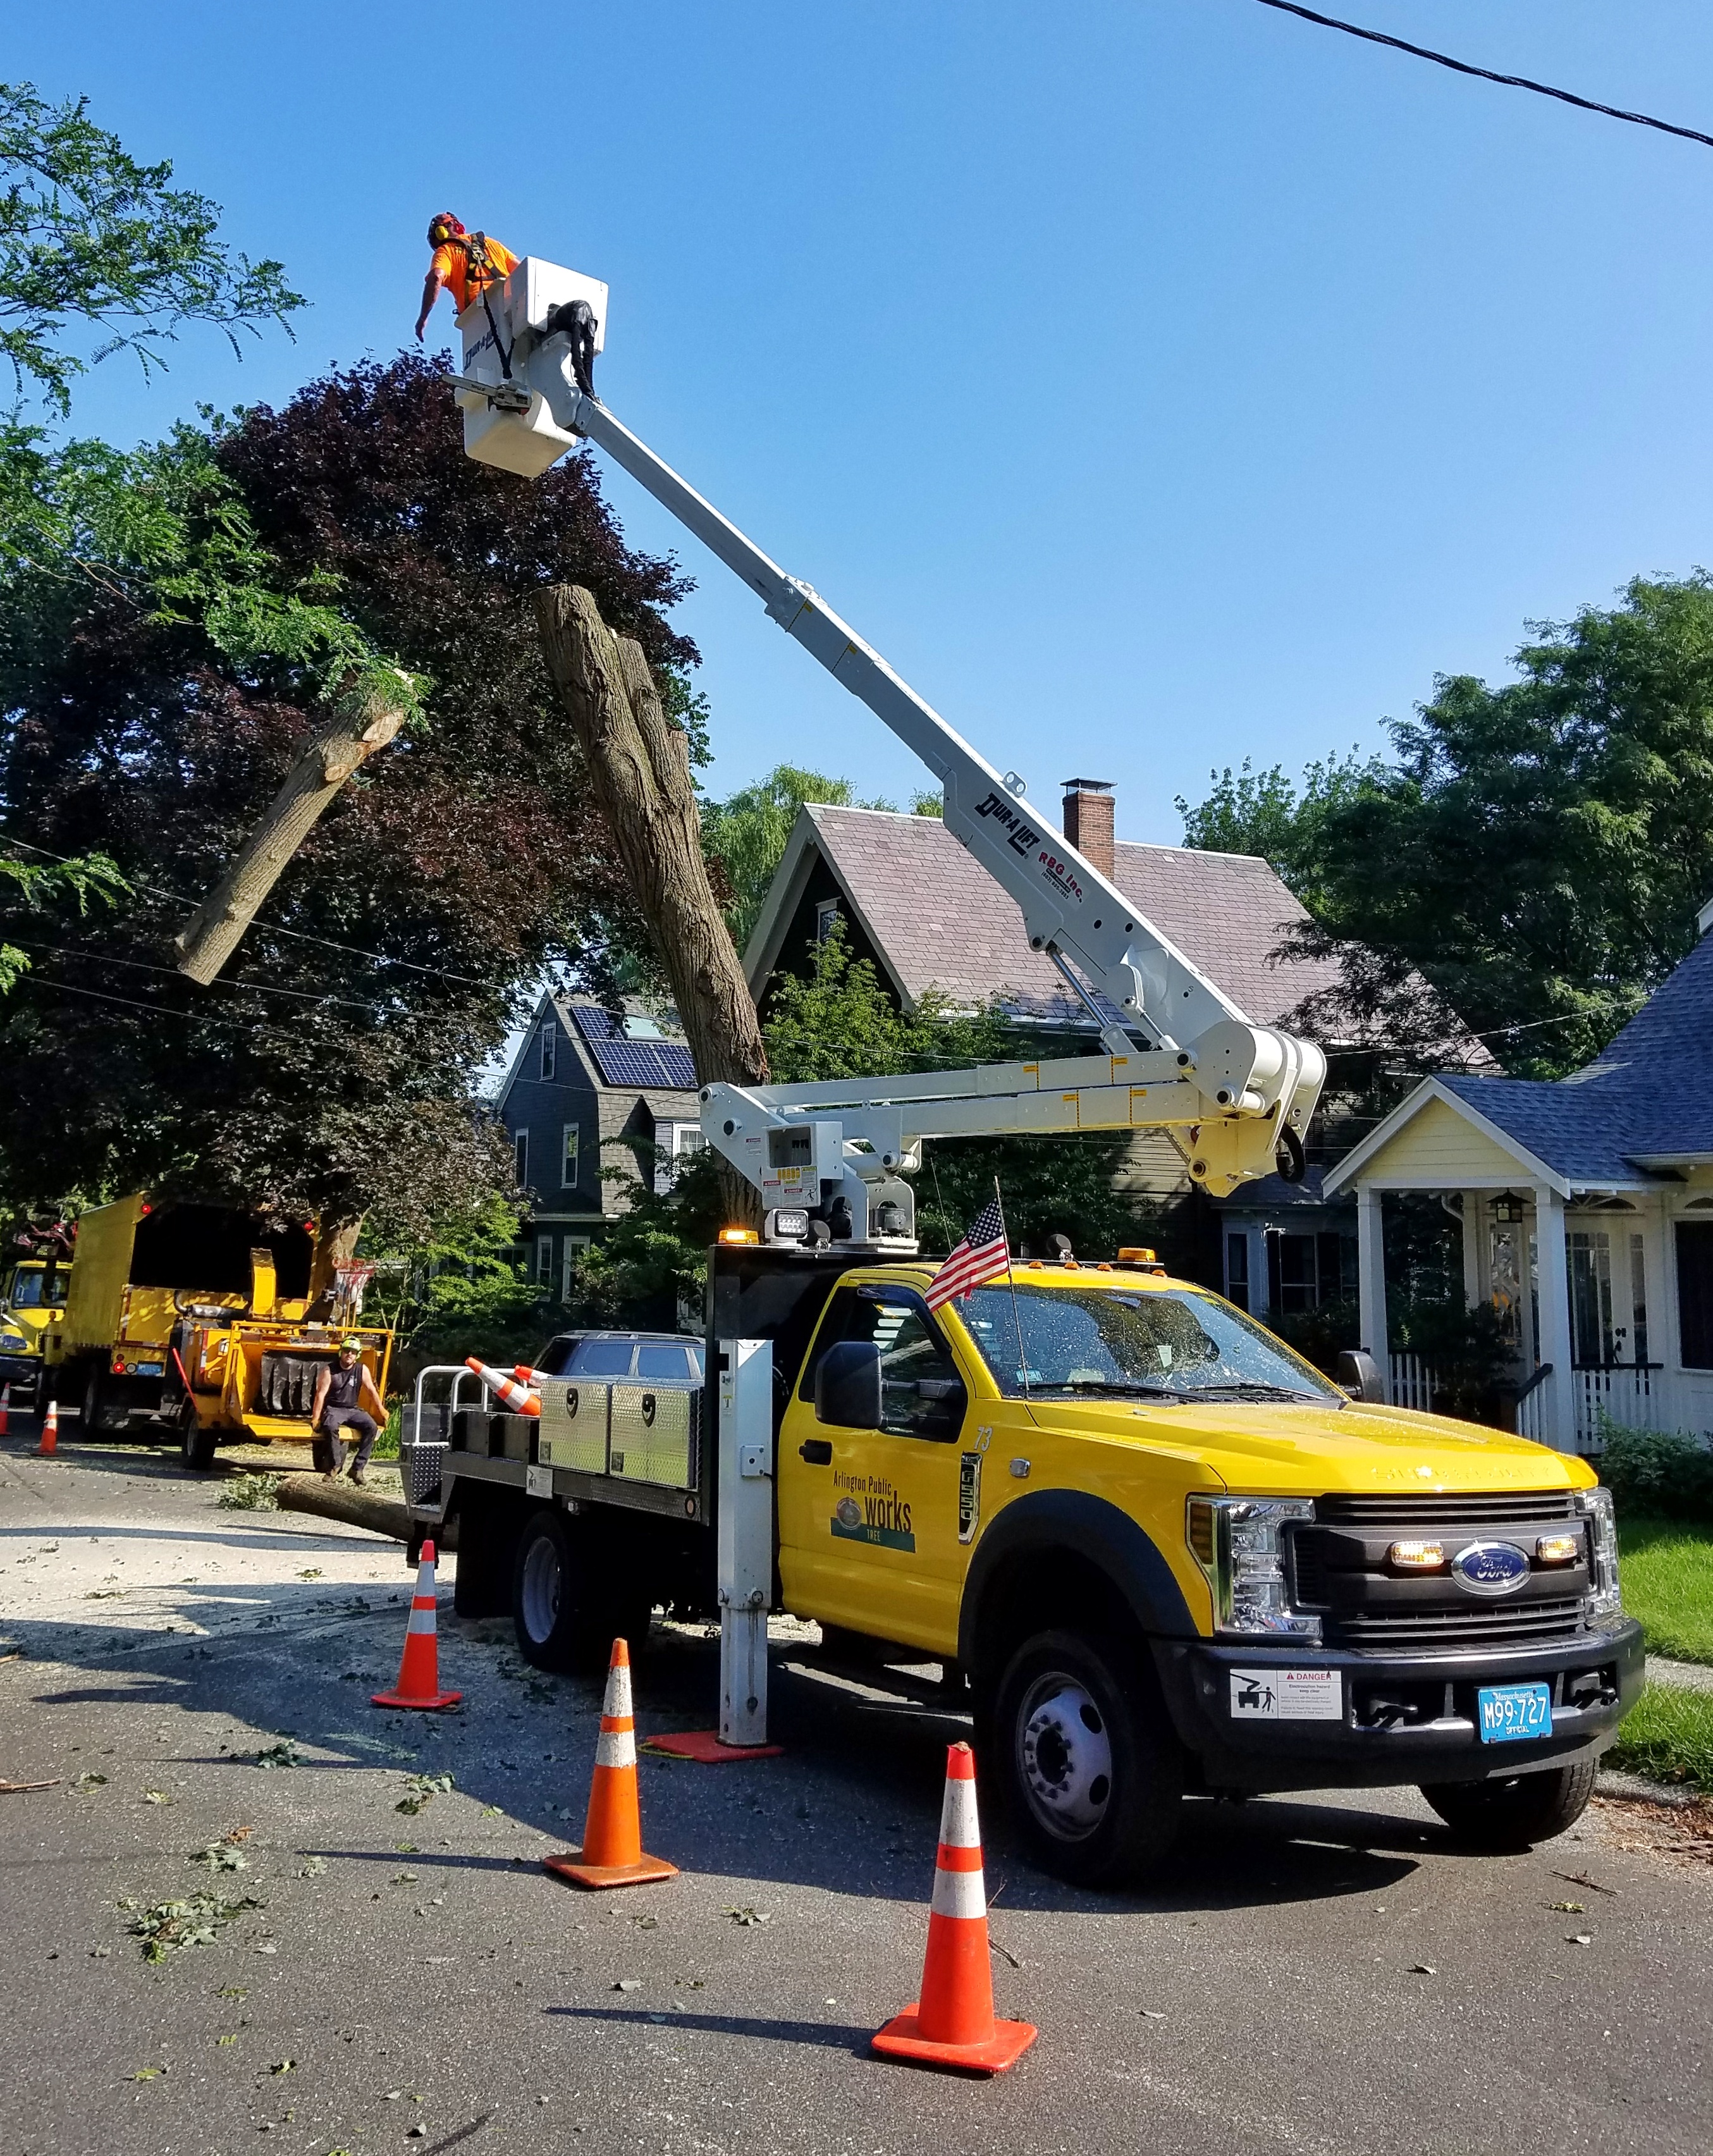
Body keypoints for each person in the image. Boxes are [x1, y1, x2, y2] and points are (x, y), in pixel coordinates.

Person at [414, 213, 519, 343]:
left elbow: (436, 276)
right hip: (511, 305)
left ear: (441, 233)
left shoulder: (445, 251)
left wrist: (423, 318)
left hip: (478, 317)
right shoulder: (490, 242)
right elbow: (520, 268)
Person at [312, 1338, 388, 1485]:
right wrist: (316, 1418)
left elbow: (372, 1391)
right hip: (334, 1409)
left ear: (357, 1355)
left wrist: (381, 1409)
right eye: (347, 1351)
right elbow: (320, 1394)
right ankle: (335, 1467)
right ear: (341, 1352)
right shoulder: (329, 1370)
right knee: (330, 1427)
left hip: (352, 1409)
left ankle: (357, 1469)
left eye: (353, 1352)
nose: (349, 1354)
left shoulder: (362, 1369)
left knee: (371, 1427)